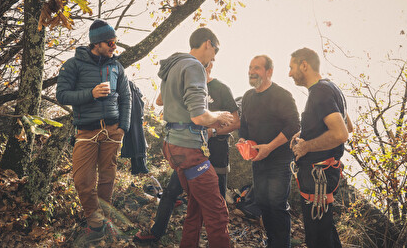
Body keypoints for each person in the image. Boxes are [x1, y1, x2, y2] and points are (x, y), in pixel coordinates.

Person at [134, 62, 240, 244]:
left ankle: (214, 241)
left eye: (204, 67)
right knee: (172, 193)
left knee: (217, 205)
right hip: (191, 151)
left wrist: (212, 130)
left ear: (210, 66)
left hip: (217, 151)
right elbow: (161, 101)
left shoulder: (221, 88)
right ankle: (156, 232)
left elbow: (236, 121)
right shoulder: (188, 85)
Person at [151, 27, 234, 247]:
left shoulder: (174, 65)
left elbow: (160, 101)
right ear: (208, 43)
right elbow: (199, 117)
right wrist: (219, 115)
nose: (214, 57)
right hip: (188, 150)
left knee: (195, 206)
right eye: (215, 50)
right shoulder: (194, 66)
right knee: (218, 212)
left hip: (171, 145)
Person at [56, 19, 131, 244]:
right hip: (86, 131)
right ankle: (94, 216)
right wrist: (91, 93)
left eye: (115, 42)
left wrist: (123, 127)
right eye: (110, 42)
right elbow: (62, 95)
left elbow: (126, 98)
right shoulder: (73, 65)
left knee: (107, 178)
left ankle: (99, 224)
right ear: (96, 43)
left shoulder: (117, 67)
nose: (114, 47)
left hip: (112, 130)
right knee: (82, 179)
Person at [288, 47, 353, 248]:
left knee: (317, 239)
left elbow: (341, 134)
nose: (289, 73)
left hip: (318, 178)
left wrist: (307, 146)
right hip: (323, 175)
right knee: (325, 233)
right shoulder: (331, 88)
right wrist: (304, 134)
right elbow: (348, 126)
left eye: (291, 67)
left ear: (304, 65)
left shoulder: (320, 92)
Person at [238, 55, 300, 248]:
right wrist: (242, 140)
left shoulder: (282, 95)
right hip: (258, 159)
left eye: (256, 68)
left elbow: (294, 126)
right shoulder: (248, 96)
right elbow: (244, 125)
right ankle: (272, 242)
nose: (251, 71)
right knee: (262, 203)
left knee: (276, 204)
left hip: (279, 160)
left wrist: (269, 147)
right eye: (250, 67)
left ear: (269, 72)